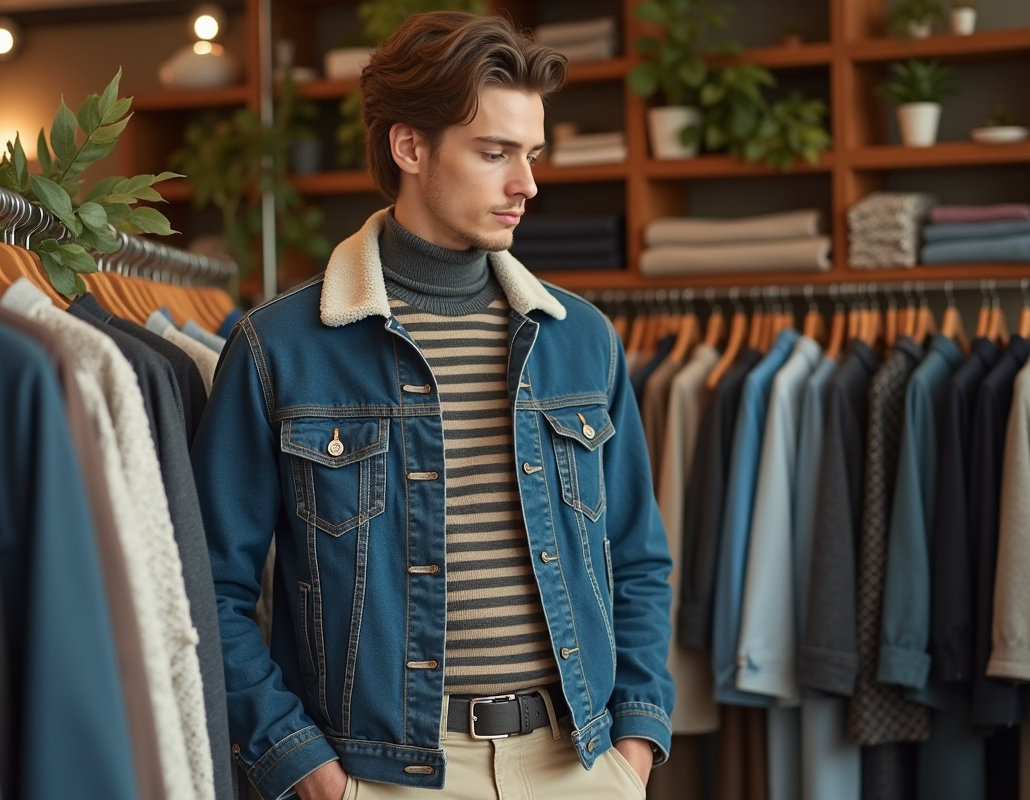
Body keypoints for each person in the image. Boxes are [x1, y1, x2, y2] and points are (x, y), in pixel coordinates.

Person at [190, 11, 675, 800]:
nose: (527, 184)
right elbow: (212, 589)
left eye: (531, 154)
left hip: (579, 765)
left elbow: (638, 558)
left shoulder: (581, 339)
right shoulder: (280, 349)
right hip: (383, 777)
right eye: (495, 152)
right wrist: (308, 770)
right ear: (409, 147)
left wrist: (635, 748)